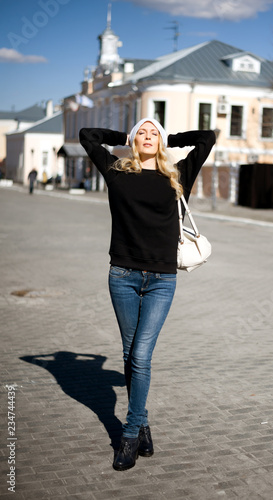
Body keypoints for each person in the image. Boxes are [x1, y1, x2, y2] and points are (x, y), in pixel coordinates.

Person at [79, 119, 215, 471]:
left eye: (155, 132)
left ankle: (128, 435)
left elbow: (206, 138)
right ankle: (142, 422)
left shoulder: (178, 176)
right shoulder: (116, 171)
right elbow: (87, 136)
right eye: (143, 132)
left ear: (162, 140)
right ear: (134, 140)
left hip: (161, 280)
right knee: (130, 354)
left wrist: (173, 137)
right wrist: (121, 136)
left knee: (140, 355)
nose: (149, 136)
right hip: (122, 275)